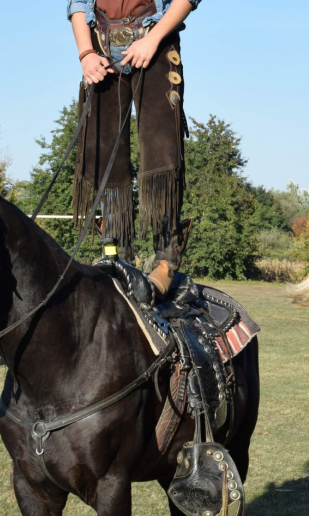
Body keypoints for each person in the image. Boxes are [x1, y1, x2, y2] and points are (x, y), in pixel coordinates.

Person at [67, 0, 200, 296]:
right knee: (104, 157)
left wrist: (152, 40)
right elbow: (77, 3)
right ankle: (115, 252)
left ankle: (165, 258)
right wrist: (86, 53)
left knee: (161, 152)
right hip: (100, 48)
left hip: (155, 40)